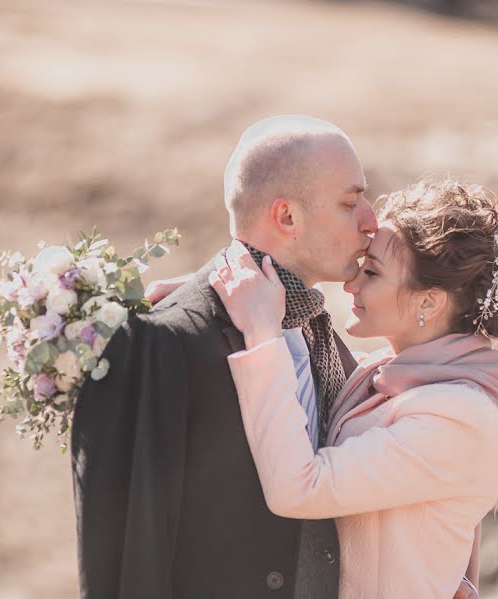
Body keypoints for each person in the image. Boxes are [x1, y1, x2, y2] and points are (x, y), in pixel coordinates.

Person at [70, 115, 378, 599]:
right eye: (350, 201)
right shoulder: (161, 343)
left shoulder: (321, 335)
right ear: (287, 218)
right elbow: (127, 558)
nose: (370, 221)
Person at [208, 179, 498, 599]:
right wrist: (209, 303)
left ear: (429, 302)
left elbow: (299, 488)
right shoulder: (387, 373)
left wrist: (261, 334)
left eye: (372, 272)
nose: (351, 283)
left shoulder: (461, 416)